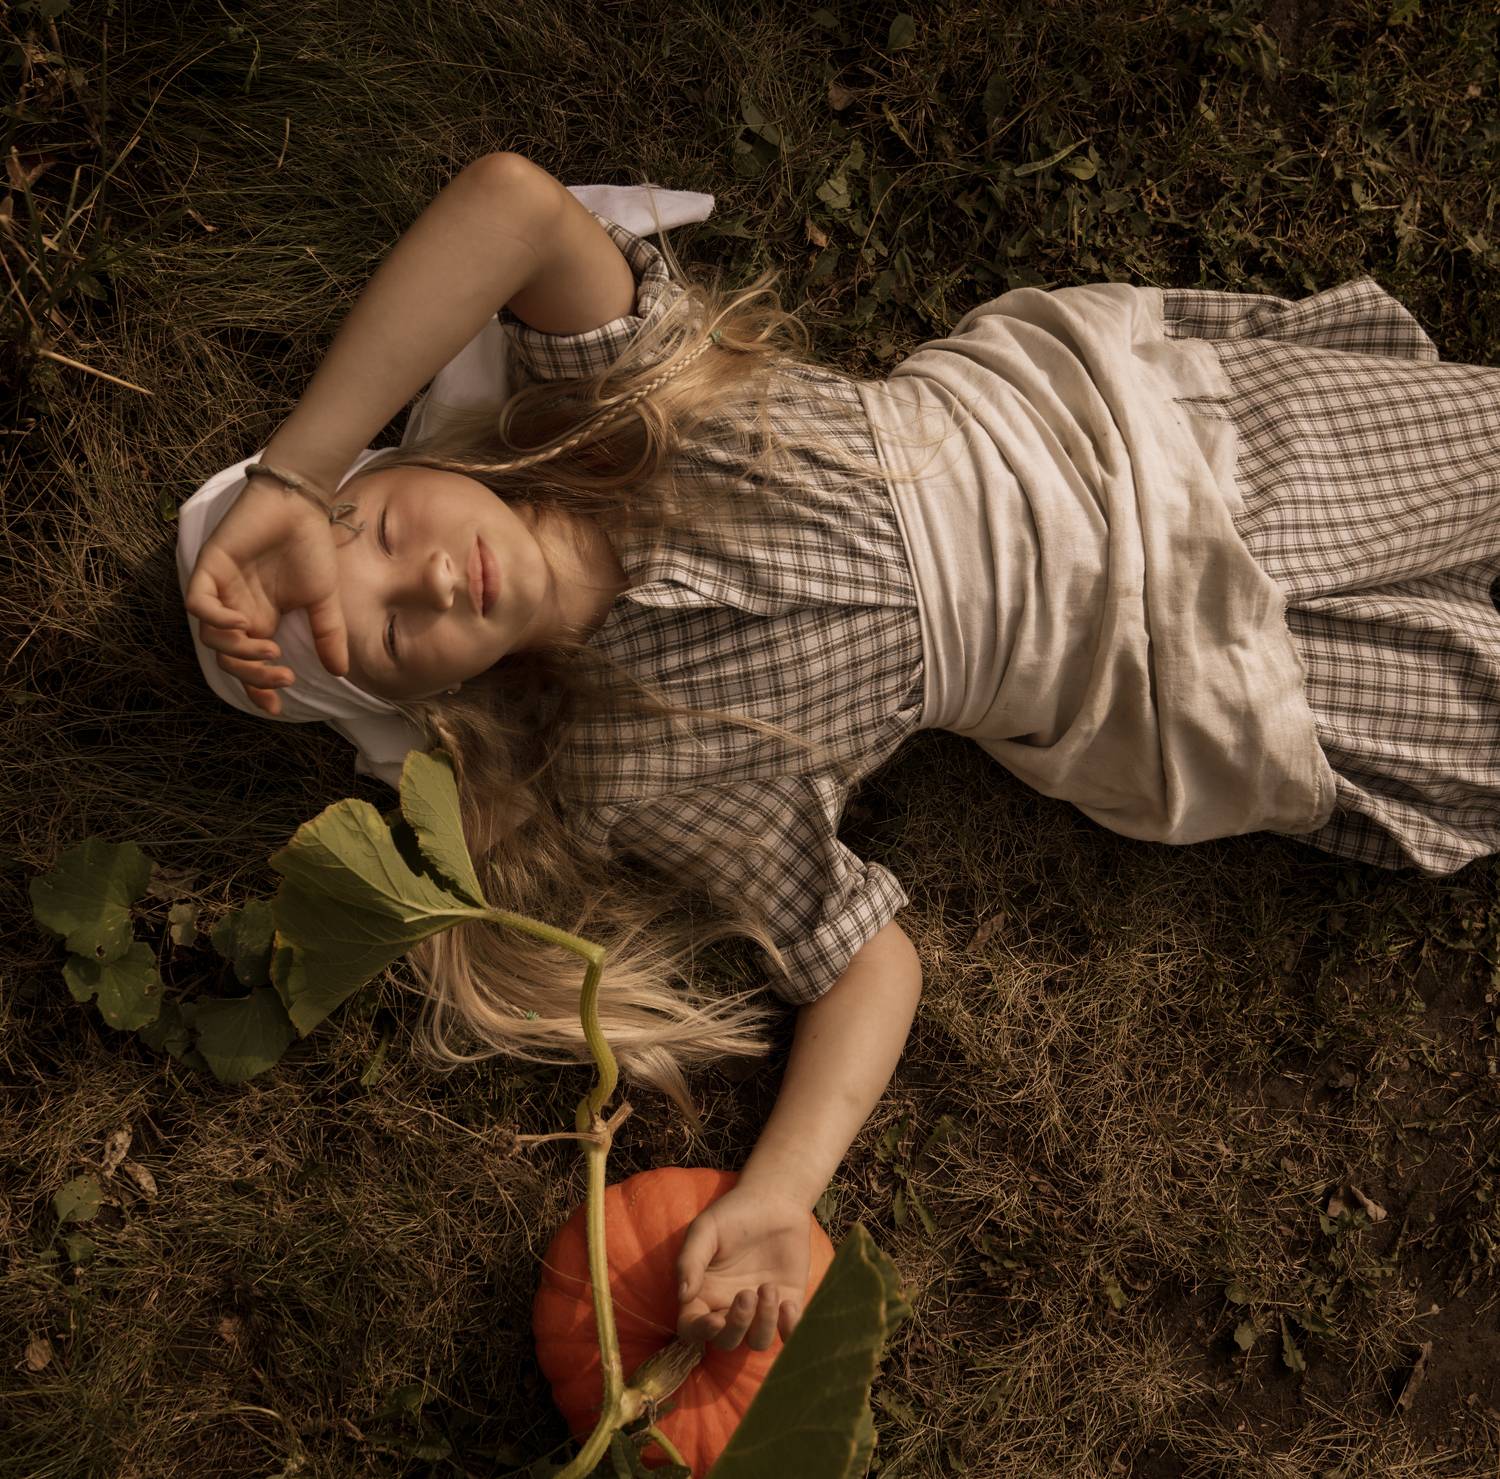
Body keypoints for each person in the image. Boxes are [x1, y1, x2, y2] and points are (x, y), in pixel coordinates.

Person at [179, 151, 1500, 1361]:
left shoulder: (608, 401)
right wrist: (779, 1192)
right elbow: (863, 959)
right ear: (434, 704)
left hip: (1144, 445)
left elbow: (515, 205)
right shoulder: (629, 771)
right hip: (1152, 675)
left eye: (374, 526)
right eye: (389, 637)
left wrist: (290, 479)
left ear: (401, 457)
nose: (426, 581)